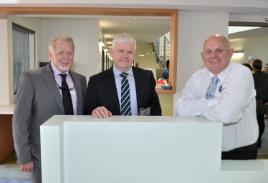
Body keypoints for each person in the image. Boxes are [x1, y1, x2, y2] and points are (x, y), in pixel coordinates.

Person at [12, 34, 87, 183]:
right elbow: (20, 121)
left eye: (70, 53)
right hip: (41, 154)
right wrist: (24, 157)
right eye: (61, 52)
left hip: (73, 151)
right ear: (50, 54)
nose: (66, 57)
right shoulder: (31, 78)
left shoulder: (80, 80)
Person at [175, 34, 258, 160]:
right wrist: (215, 102)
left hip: (239, 151)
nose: (213, 55)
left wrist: (196, 107)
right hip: (206, 147)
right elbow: (180, 108)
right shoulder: (197, 77)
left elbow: (227, 115)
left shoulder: (241, 74)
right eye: (208, 51)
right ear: (203, 56)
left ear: (230, 53)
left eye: (219, 50)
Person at [85, 33, 162, 118]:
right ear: (112, 53)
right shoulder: (96, 81)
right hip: (108, 130)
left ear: (134, 54)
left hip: (140, 130)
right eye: (121, 51)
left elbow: (156, 109)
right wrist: (95, 111)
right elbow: (88, 110)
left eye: (130, 52)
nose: (125, 56)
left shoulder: (147, 77)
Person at [252, 59, 268, 148]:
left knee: (254, 122)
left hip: (253, 103)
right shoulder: (266, 76)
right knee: (261, 122)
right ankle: (259, 140)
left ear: (253, 67)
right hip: (263, 103)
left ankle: (255, 140)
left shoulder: (251, 76)